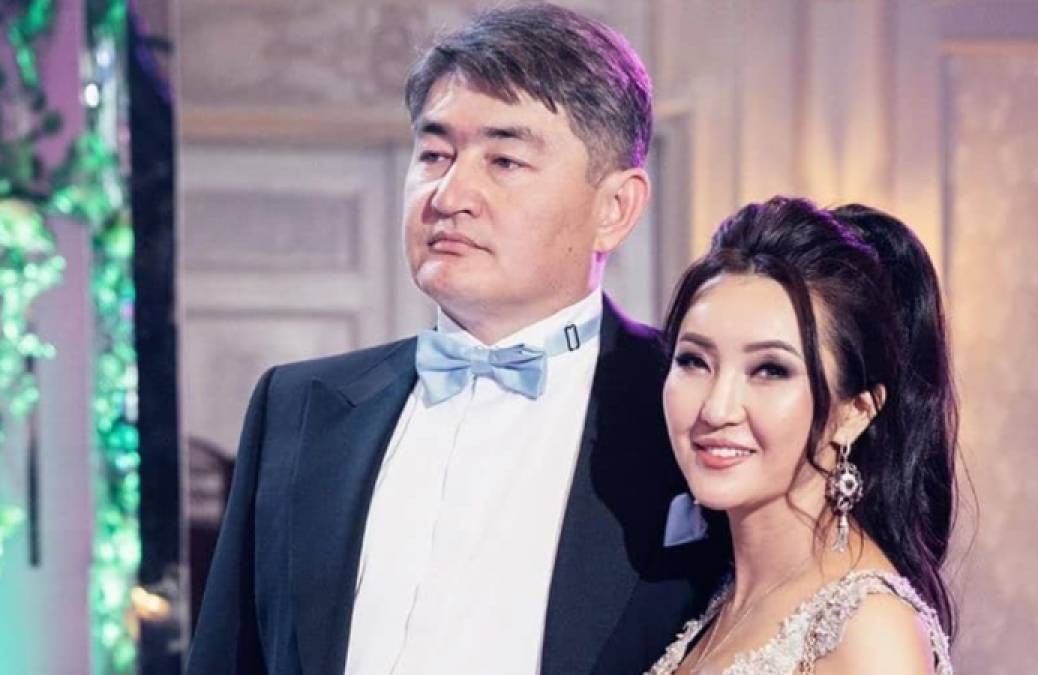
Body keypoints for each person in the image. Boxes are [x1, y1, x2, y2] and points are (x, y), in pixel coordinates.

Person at [187, 4, 726, 674]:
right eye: (435, 154)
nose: (449, 194)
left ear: (615, 208)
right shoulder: (297, 405)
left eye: (505, 160)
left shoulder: (694, 410)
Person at [648, 197, 957, 674]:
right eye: (694, 361)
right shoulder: (720, 597)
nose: (716, 408)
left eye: (770, 370)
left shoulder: (867, 629)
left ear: (855, 412)